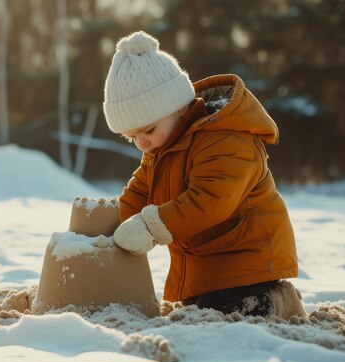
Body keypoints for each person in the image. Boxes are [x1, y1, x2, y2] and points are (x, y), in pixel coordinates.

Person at [104, 31, 306, 319]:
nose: (142, 144)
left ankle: (276, 298)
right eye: (131, 137)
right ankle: (236, 299)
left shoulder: (226, 138)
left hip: (248, 257)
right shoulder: (162, 148)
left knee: (225, 311)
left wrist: (150, 227)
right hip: (207, 262)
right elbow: (138, 192)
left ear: (178, 107)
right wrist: (106, 227)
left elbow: (211, 200)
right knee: (200, 310)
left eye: (147, 131)